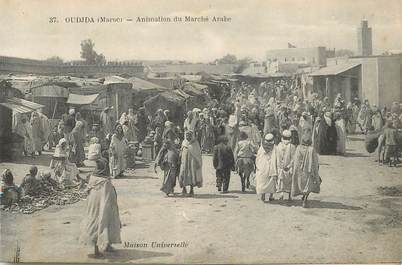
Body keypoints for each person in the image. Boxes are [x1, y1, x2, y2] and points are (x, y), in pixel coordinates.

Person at [80, 158, 121, 259]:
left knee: (97, 223)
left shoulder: (93, 177)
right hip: (104, 206)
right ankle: (96, 251)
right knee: (102, 224)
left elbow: (88, 190)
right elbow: (106, 196)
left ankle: (107, 245)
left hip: (93, 206)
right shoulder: (105, 181)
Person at [291, 132, 321, 208]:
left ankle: (303, 197)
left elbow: (295, 160)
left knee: (302, 185)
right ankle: (305, 200)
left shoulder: (298, 148)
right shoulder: (311, 149)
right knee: (309, 185)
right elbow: (315, 161)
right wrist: (316, 169)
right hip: (308, 171)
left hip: (300, 173)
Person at [178, 131, 203, 197]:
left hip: (192, 163)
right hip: (184, 162)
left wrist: (198, 162)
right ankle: (184, 189)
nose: (187, 136)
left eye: (189, 135)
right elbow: (181, 151)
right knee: (182, 174)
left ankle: (191, 190)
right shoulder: (184, 142)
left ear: (192, 135)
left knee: (192, 175)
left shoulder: (195, 143)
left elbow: (198, 154)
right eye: (186, 135)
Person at [255, 133, 278, 202]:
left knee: (263, 181)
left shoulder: (262, 147)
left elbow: (258, 157)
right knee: (271, 182)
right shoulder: (274, 147)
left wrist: (258, 166)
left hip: (263, 166)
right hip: (271, 167)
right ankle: (271, 196)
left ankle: (263, 196)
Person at [276, 130, 297, 200]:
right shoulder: (292, 146)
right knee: (289, 182)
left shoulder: (278, 145)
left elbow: (277, 157)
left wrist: (280, 166)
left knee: (281, 180)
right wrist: (289, 166)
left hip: (280, 167)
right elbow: (293, 158)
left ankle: (281, 194)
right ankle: (289, 196)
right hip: (288, 168)